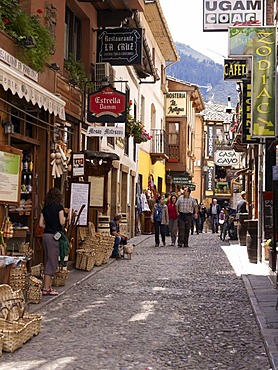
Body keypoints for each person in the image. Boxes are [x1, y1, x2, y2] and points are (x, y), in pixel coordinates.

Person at [39, 187, 65, 296]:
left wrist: (48, 227)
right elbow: (62, 221)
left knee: (48, 259)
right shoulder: (59, 207)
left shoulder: (45, 208)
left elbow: (40, 224)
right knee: (52, 261)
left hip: (45, 235)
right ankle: (46, 288)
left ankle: (47, 286)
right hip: (55, 236)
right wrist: (65, 219)